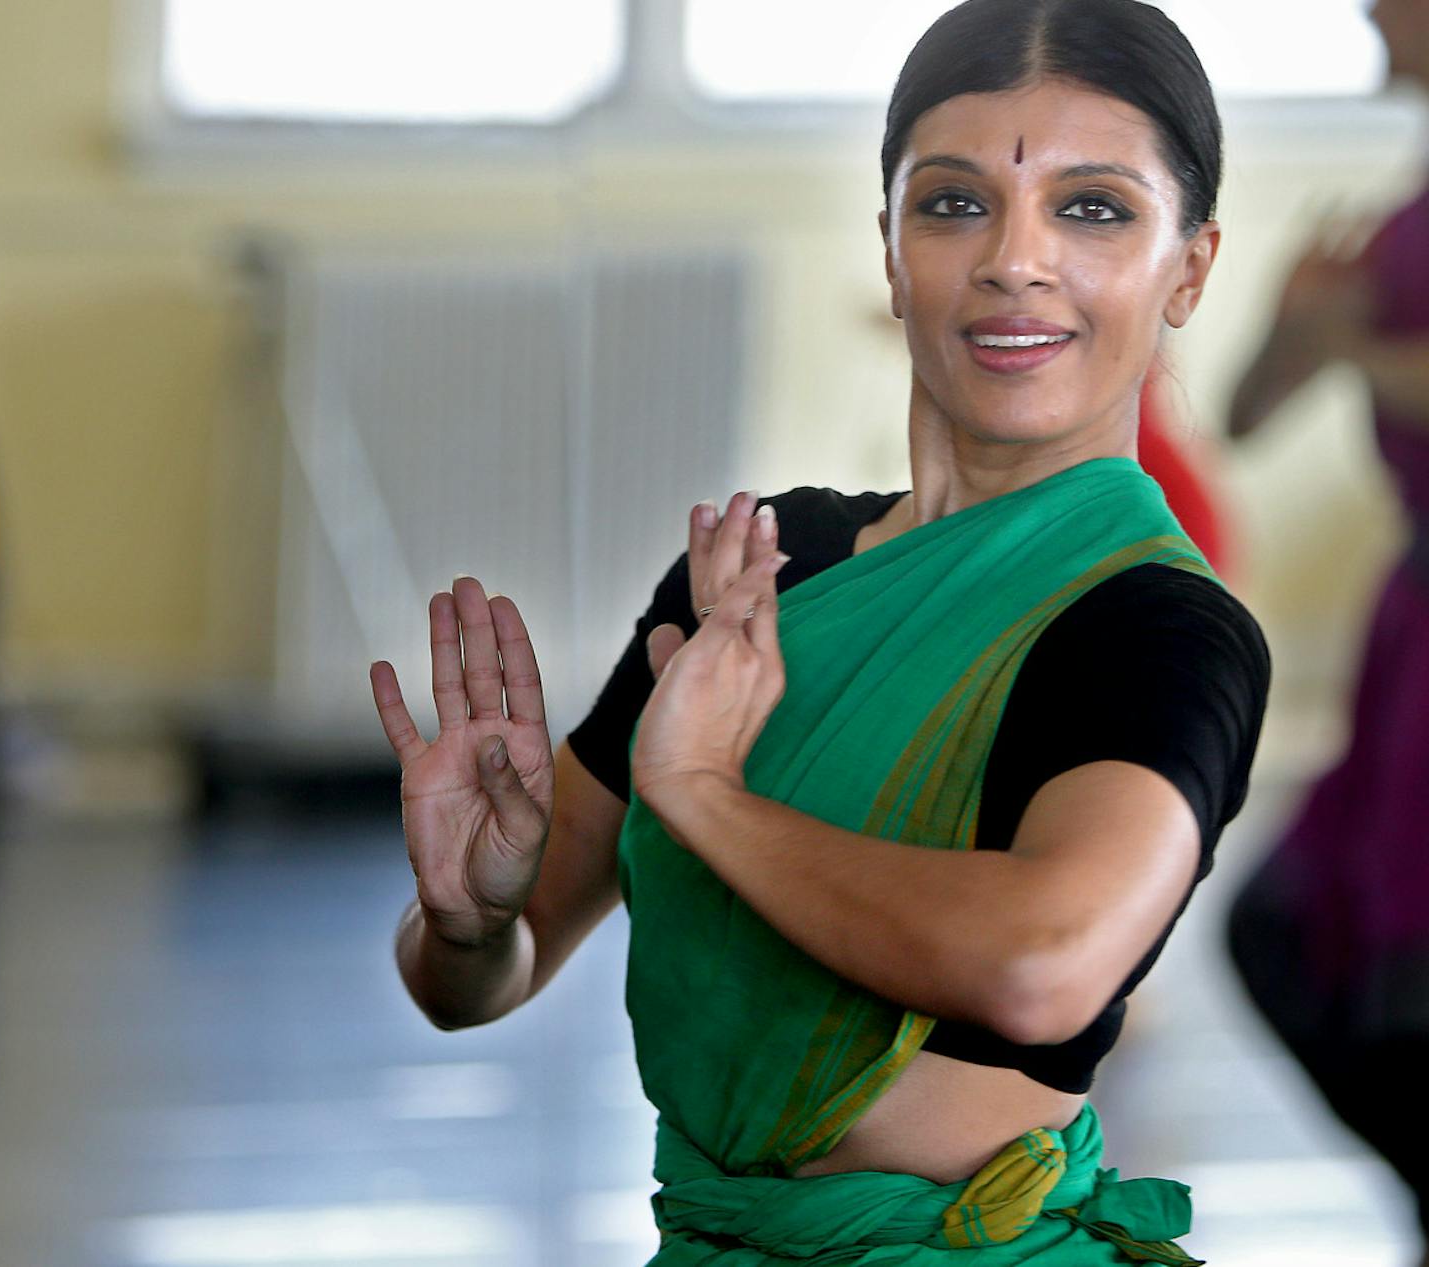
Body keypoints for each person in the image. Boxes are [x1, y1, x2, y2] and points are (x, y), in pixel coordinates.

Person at [369, 1, 1269, 1261]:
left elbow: (1042, 963)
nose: (1017, 259)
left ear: (1189, 266)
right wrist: (466, 922)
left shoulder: (1159, 626)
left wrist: (702, 793)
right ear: (892, 250)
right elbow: (482, 985)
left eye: (1093, 208)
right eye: (954, 204)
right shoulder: (762, 570)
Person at [1225, 1, 1429, 1260]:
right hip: (1411, 636)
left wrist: (1349, 343)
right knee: (1294, 938)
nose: (1364, 7)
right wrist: (1300, 330)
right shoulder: (1403, 217)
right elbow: (1248, 412)